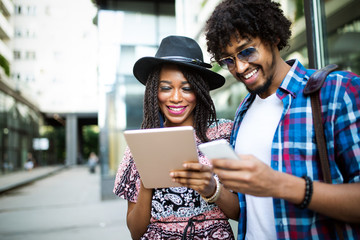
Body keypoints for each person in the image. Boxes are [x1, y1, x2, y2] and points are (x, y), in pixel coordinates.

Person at [204, 0, 360, 239]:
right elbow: (250, 212)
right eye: (228, 60)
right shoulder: (243, 112)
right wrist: (212, 189)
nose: (240, 67)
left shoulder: (337, 90)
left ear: (273, 37)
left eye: (247, 51)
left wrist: (280, 184)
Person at [113, 35, 239, 239]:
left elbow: (242, 213)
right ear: (155, 91)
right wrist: (148, 176)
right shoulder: (140, 145)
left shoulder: (224, 134)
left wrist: (212, 189)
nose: (176, 97)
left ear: (199, 92)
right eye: (166, 88)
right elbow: (136, 233)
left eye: (187, 88)